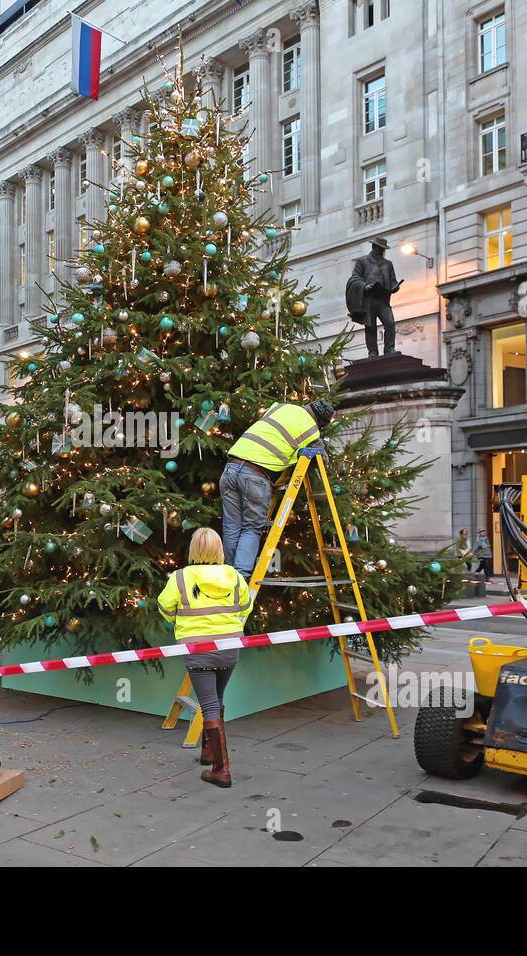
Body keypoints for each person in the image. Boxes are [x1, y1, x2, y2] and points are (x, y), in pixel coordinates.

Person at [156, 528, 254, 789]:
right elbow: (246, 606)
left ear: (194, 550)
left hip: (198, 651)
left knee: (209, 704)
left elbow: (165, 609)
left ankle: (221, 771)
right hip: (230, 648)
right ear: (219, 549)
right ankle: (209, 754)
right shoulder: (233, 575)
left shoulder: (180, 577)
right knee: (216, 700)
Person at [221, 399, 335, 577]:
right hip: (256, 475)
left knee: (231, 525)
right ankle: (240, 579)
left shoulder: (280, 407)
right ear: (320, 423)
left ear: (309, 406)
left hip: (231, 467)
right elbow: (322, 460)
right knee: (251, 528)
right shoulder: (312, 431)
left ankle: (227, 576)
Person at [345, 238, 404, 358]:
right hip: (369, 299)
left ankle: (389, 348)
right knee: (370, 326)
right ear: (374, 247)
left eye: (383, 248)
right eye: (380, 248)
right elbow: (354, 279)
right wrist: (366, 286)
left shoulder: (388, 264)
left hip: (383, 300)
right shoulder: (362, 262)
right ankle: (372, 351)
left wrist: (395, 287)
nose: (382, 250)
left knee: (390, 322)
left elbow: (392, 281)